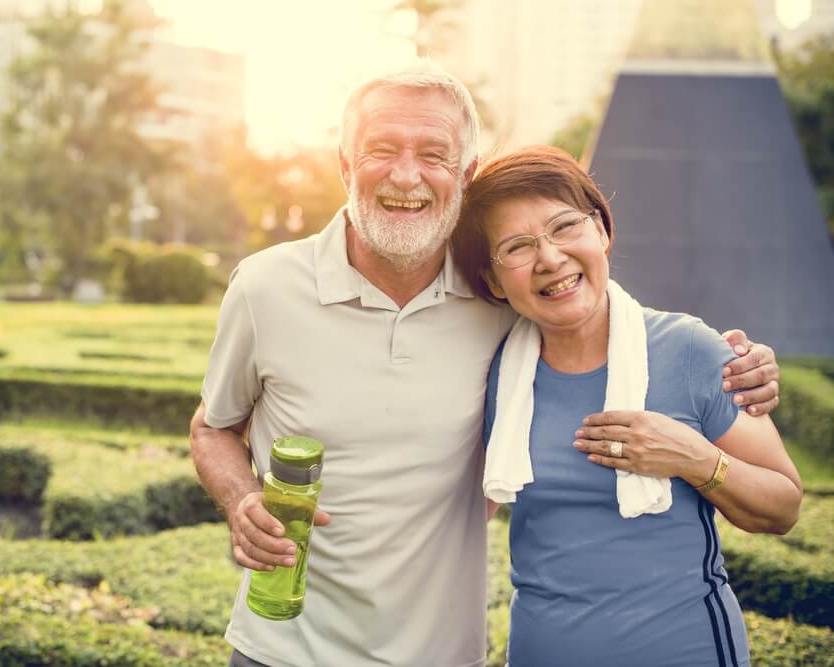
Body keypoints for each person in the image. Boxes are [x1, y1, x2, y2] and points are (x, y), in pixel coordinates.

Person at [190, 64, 781, 667]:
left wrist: (736, 365)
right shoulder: (264, 288)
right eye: (381, 150)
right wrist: (241, 500)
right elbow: (213, 426)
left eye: (433, 154)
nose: (405, 175)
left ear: (464, 175)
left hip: (444, 655)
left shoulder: (498, 294)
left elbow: (590, 302)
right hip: (279, 648)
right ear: (344, 164)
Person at [451, 145, 802, 667]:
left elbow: (783, 507)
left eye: (565, 226)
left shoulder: (688, 348)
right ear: (492, 281)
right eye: (518, 246)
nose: (549, 258)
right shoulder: (495, 370)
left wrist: (694, 458)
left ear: (602, 230)